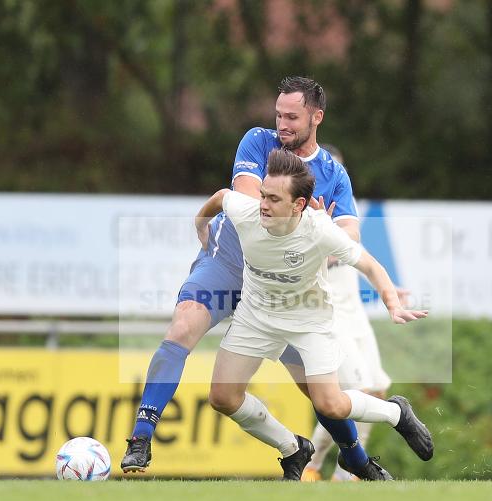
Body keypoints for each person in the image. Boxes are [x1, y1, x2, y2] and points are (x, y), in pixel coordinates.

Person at [122, 76, 384, 479]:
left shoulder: (334, 174)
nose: (283, 124)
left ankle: (353, 457)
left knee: (318, 393)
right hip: (228, 263)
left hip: (280, 289)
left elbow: (350, 236)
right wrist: (307, 221)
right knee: (181, 327)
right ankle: (141, 437)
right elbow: (245, 200)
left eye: (293, 117)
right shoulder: (258, 142)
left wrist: (324, 232)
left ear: (317, 117)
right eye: (278, 114)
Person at [197, 149, 434, 477]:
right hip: (256, 316)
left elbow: (369, 264)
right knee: (222, 397)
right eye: (263, 194)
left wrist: (392, 303)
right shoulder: (247, 211)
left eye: (273, 199)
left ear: (298, 205)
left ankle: (397, 413)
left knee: (330, 405)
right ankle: (292, 447)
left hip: (308, 322)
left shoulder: (319, 230)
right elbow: (223, 197)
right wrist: (201, 224)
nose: (263, 204)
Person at [301, 144, 395, 482]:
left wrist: (390, 291)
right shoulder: (303, 216)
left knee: (378, 390)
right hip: (330, 318)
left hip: (356, 316)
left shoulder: (344, 218)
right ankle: (312, 466)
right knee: (358, 391)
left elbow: (362, 258)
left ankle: (345, 474)